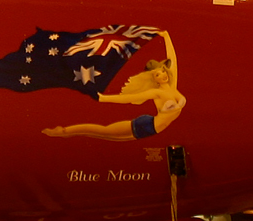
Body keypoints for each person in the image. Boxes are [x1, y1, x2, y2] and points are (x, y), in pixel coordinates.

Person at [42, 31, 186, 141]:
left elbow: (172, 59)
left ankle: (64, 132)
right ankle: (64, 131)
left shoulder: (172, 85)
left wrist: (166, 37)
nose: (162, 75)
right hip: (146, 126)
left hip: (152, 128)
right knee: (103, 131)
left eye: (162, 71)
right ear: (153, 79)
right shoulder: (156, 92)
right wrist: (103, 99)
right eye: (157, 75)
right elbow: (129, 98)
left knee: (103, 134)